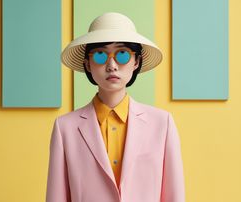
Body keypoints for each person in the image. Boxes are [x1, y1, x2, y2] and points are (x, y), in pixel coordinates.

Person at [46, 12, 185, 202]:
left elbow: (174, 196)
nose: (112, 65)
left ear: (136, 61)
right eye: (101, 55)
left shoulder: (162, 123)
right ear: (87, 64)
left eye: (122, 54)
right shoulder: (65, 128)